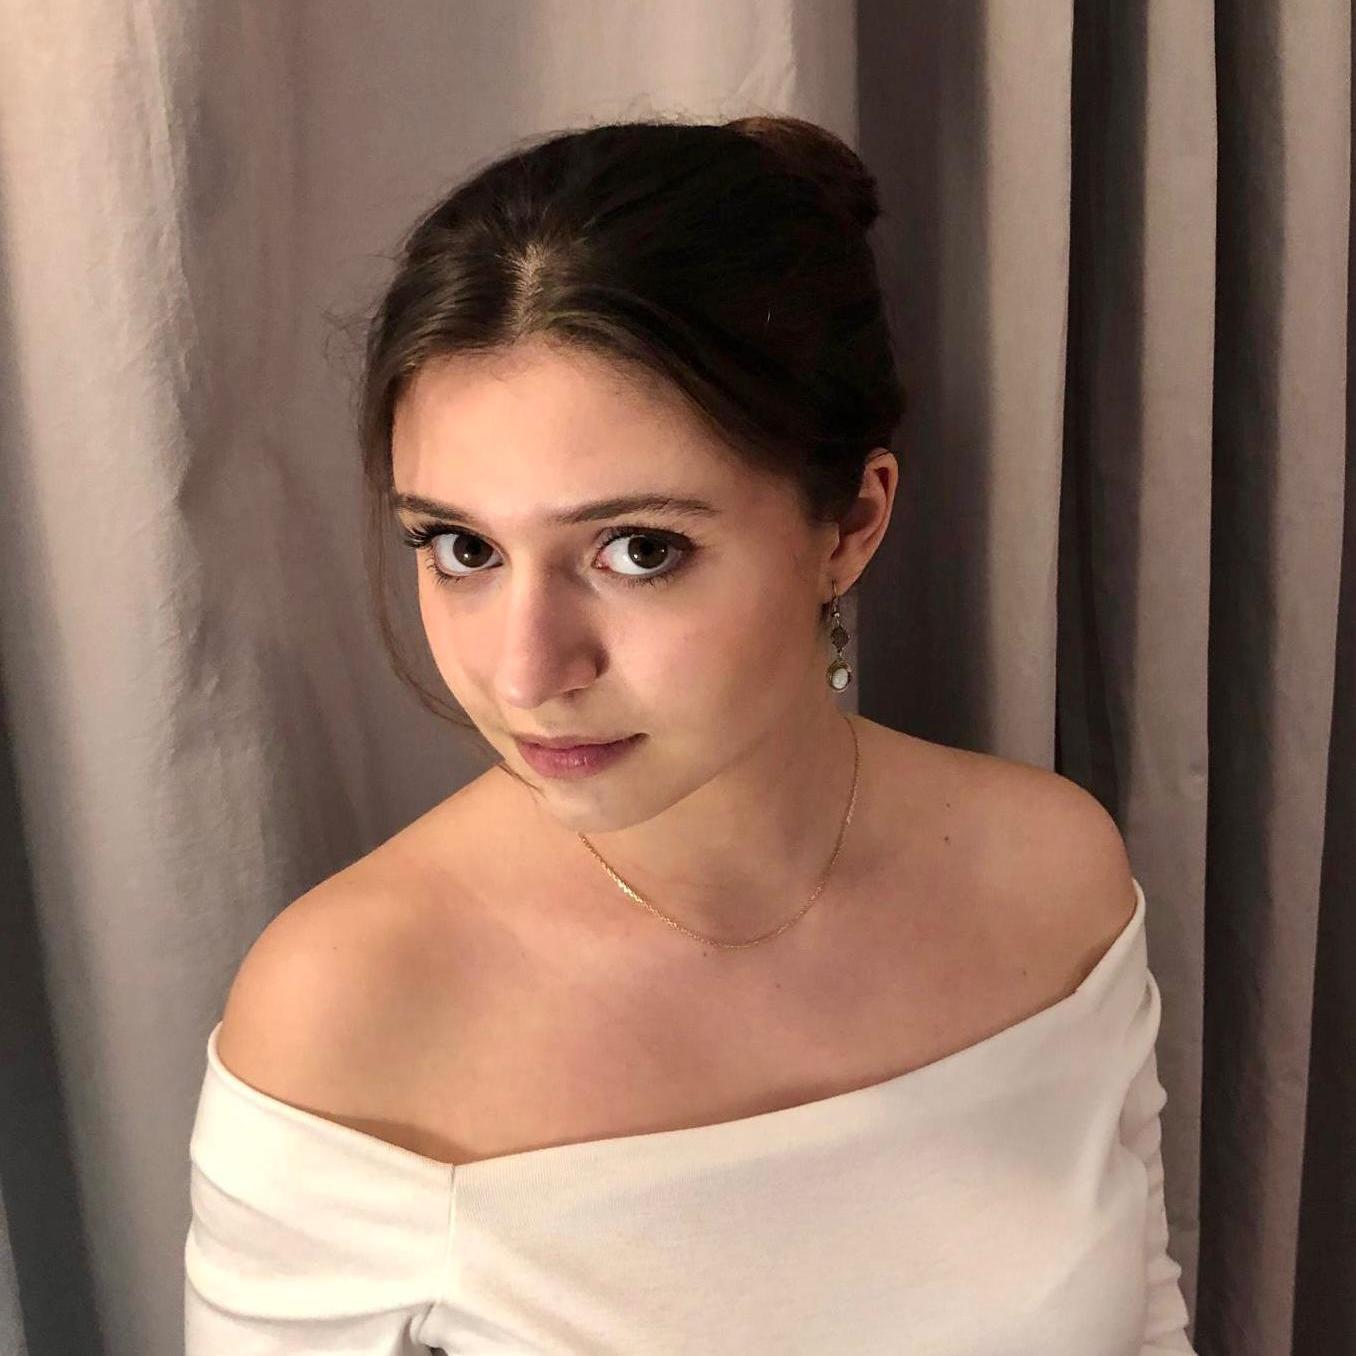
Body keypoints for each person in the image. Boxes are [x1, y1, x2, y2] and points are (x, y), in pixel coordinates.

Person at [183, 114, 1196, 1353]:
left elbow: (1145, 1320)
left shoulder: (1052, 873)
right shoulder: (350, 1010)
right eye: (462, 548)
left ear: (850, 525)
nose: (525, 671)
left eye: (640, 550)